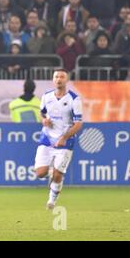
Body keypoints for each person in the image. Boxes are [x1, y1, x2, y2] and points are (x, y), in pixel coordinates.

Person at [34, 69, 83, 210]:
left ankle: (52, 200)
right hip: (47, 139)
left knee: (57, 175)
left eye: (62, 76)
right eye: (56, 76)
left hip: (66, 141)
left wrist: (64, 137)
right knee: (40, 173)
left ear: (66, 80)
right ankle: (54, 172)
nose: (59, 79)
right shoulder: (46, 96)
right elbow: (41, 114)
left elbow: (79, 123)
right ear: (53, 79)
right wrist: (44, 121)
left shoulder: (74, 99)